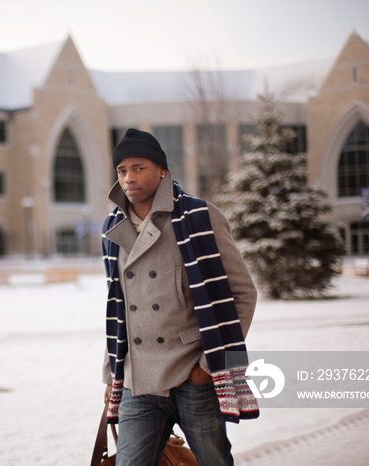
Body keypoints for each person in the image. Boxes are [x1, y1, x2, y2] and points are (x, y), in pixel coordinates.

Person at [101, 128, 259, 466]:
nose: (129, 178)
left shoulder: (199, 217)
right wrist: (113, 375)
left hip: (192, 376)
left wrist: (205, 367)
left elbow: (243, 293)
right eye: (122, 170)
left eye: (139, 167)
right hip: (138, 381)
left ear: (162, 170)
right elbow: (118, 308)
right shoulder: (112, 228)